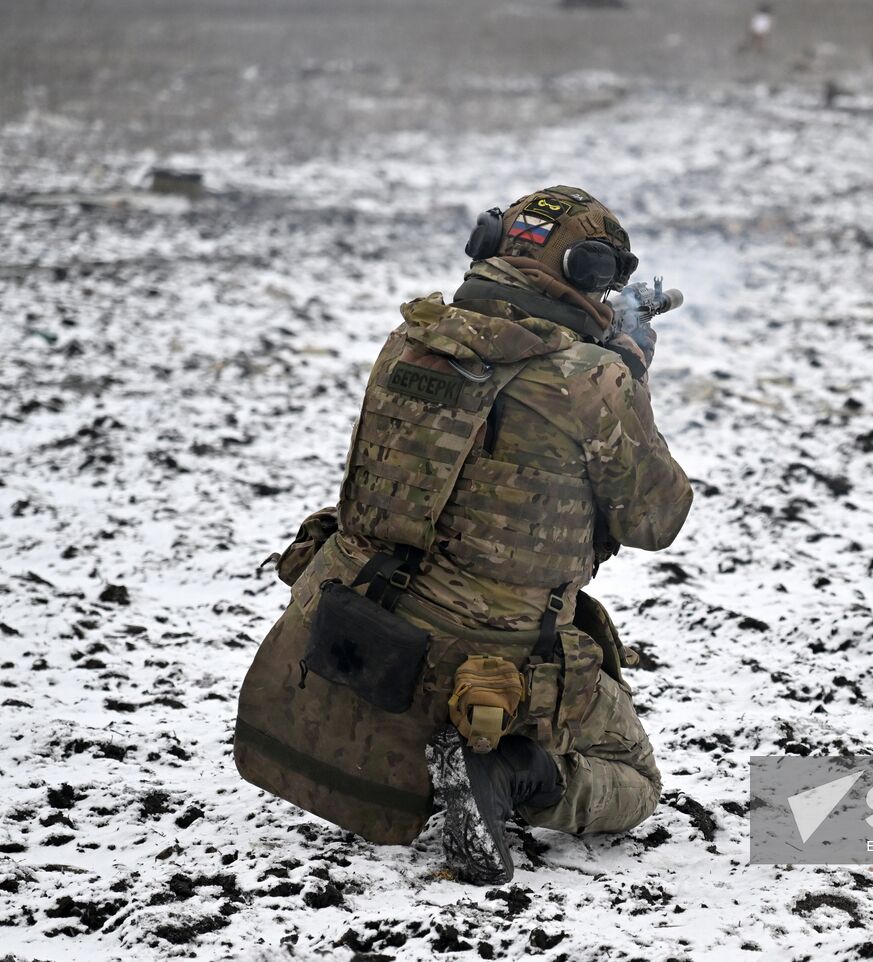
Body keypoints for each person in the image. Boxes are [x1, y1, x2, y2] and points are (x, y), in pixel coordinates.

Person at [234, 185, 693, 885]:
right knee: (634, 781)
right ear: (589, 273)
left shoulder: (411, 340)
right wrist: (628, 373)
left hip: (344, 626)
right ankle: (506, 769)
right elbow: (657, 519)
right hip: (479, 664)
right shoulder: (594, 380)